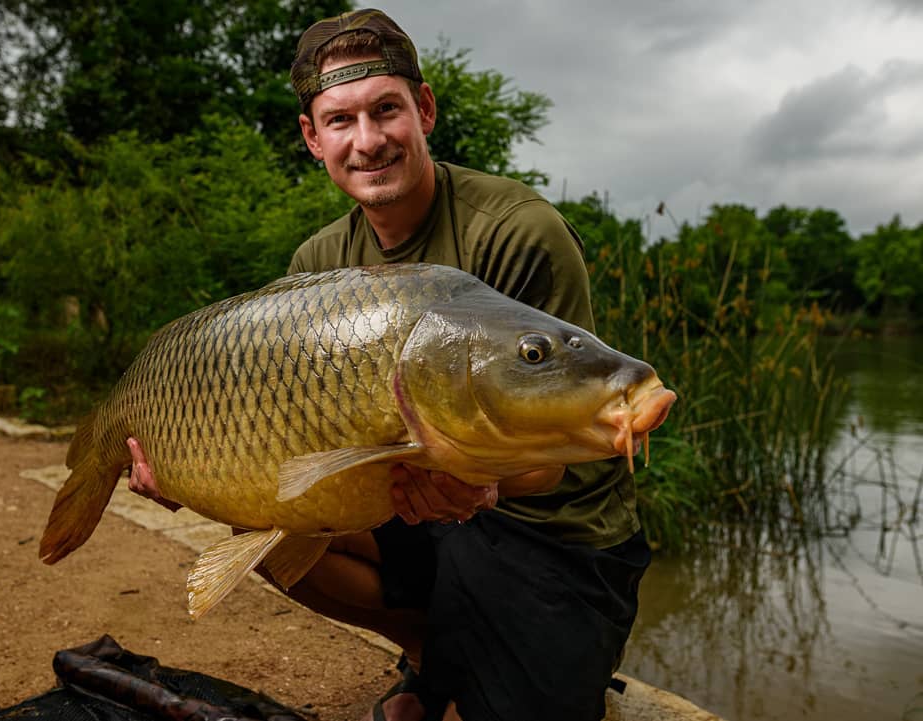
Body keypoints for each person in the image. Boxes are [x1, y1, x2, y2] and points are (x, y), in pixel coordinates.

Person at [128, 9, 651, 721]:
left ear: (424, 109)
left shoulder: (517, 230)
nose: (368, 141)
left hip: (551, 531)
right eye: (340, 120)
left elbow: (552, 466)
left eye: (386, 110)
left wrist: (477, 484)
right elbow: (292, 461)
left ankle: (490, 654)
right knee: (262, 510)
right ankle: (425, 650)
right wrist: (194, 477)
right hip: (418, 502)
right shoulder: (317, 263)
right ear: (313, 138)